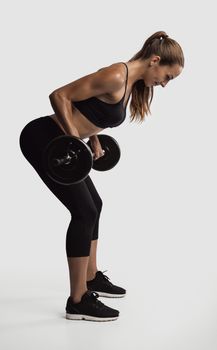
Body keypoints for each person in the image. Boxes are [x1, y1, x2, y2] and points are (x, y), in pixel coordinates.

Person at [19, 30, 184, 322]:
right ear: (155, 60)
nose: (165, 84)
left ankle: (91, 278)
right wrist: (75, 141)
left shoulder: (130, 83)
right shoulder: (116, 76)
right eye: (167, 76)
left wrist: (92, 138)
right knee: (83, 212)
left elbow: (89, 112)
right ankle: (78, 300)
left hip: (61, 142)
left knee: (95, 205)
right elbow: (59, 96)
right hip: (42, 138)